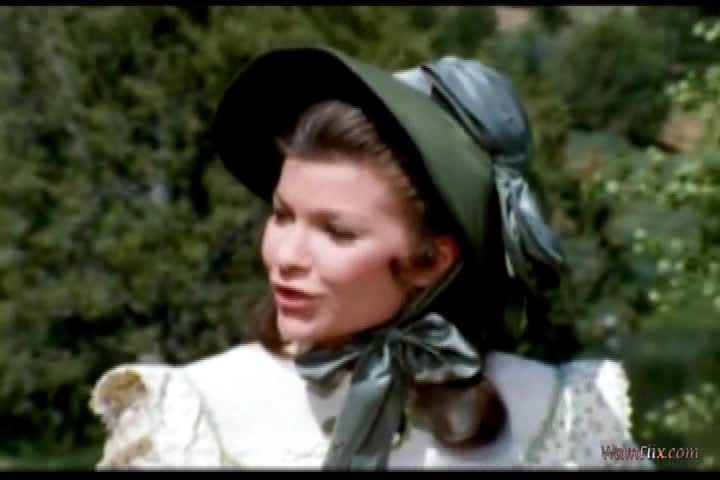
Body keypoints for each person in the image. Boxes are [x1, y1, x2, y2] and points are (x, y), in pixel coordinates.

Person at [89, 47, 654, 470]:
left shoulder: (567, 412)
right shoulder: (193, 415)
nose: (285, 255)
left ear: (431, 261)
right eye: (282, 215)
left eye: (335, 232)